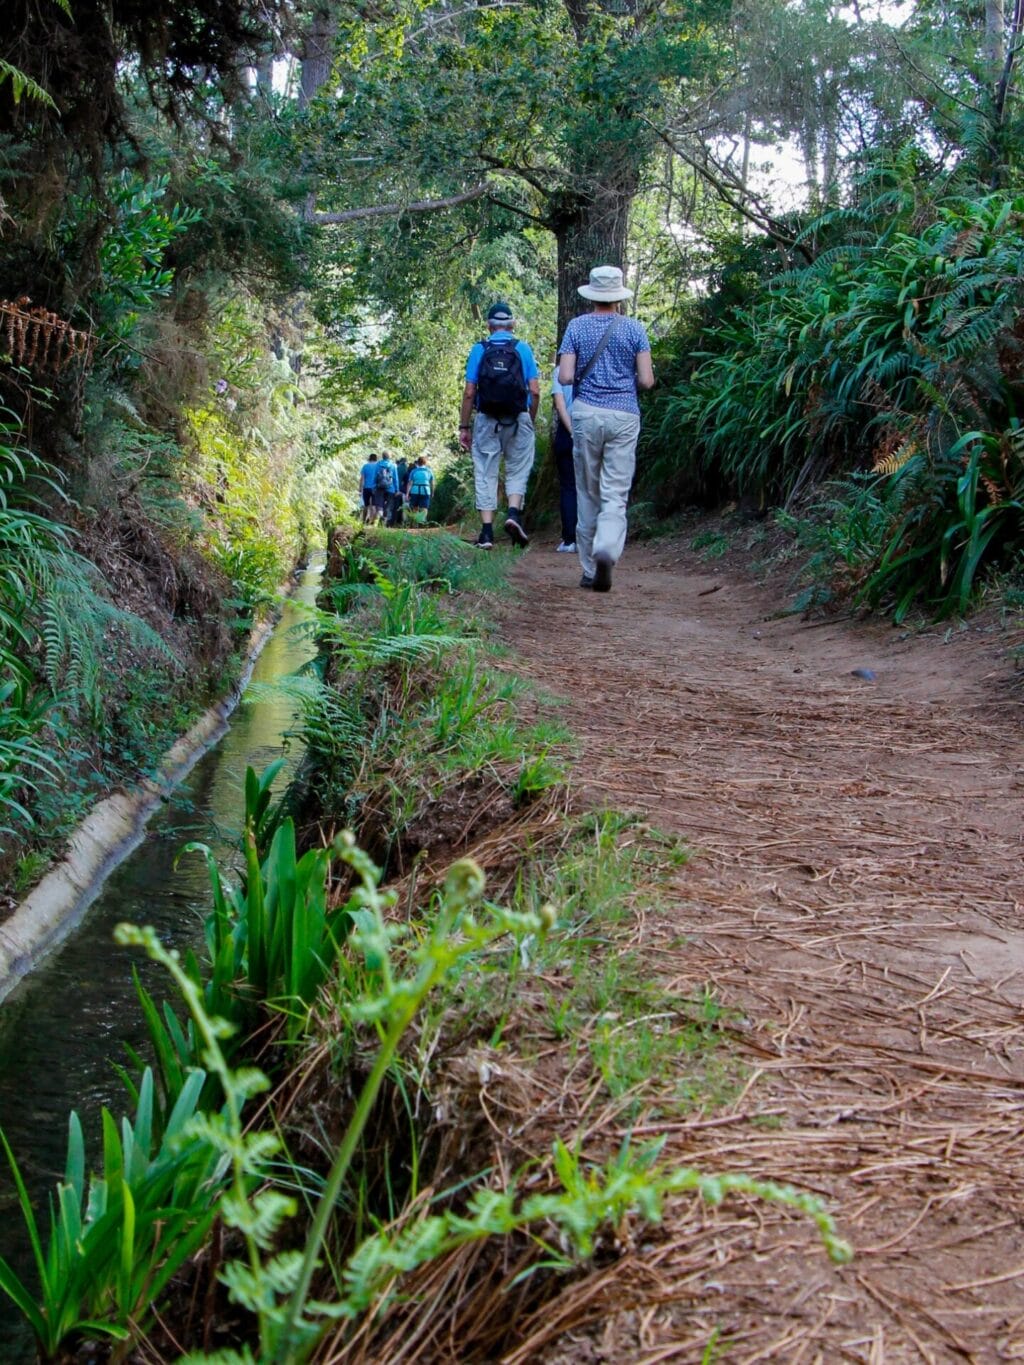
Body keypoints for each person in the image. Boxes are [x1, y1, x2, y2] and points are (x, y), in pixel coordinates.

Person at [558, 265, 655, 593]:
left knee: (587, 491)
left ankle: (588, 569)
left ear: (592, 294)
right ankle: (607, 548)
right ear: (618, 297)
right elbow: (646, 380)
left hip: (586, 414)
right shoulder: (635, 329)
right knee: (615, 492)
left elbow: (566, 377)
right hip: (624, 415)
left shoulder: (576, 327)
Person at [458, 301, 540, 549]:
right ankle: (513, 514)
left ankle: (486, 534)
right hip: (518, 417)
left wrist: (464, 426)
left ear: (489, 325)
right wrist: (529, 420)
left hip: (486, 418)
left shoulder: (479, 350)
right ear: (512, 324)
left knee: (485, 471)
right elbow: (535, 391)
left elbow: (470, 392)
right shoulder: (522, 349)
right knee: (517, 468)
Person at [551, 354, 577, 553]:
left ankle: (569, 540)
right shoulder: (593, 365)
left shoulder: (559, 371)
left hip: (567, 434)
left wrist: (571, 432)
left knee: (569, 487)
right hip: (592, 430)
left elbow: (560, 406)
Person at [407, 456, 434, 524]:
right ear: (425, 463)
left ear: (418, 463)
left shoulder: (414, 471)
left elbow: (410, 483)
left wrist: (407, 493)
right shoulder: (429, 471)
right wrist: (432, 492)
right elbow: (432, 483)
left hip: (415, 491)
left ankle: (415, 522)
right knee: (424, 507)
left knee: (414, 507)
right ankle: (422, 521)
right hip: (425, 491)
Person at [374, 452, 398, 525]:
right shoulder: (393, 465)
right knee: (388, 506)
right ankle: (384, 523)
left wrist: (374, 486)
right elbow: (395, 478)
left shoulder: (378, 464)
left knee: (380, 506)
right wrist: (397, 489)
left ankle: (378, 522)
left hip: (379, 488)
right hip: (391, 489)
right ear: (389, 457)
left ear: (382, 456)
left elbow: (375, 476)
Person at [358, 454, 379, 524]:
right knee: (373, 505)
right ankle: (372, 521)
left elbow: (362, 479)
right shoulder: (378, 466)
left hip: (366, 488)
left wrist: (360, 489)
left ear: (369, 458)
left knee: (366, 505)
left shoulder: (365, 466)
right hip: (375, 488)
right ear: (376, 459)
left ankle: (363, 521)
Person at [390, 455, 410, 527]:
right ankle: (400, 522)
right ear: (405, 462)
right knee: (402, 506)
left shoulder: (397, 468)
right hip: (402, 491)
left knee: (395, 506)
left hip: (394, 490)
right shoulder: (405, 469)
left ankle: (392, 522)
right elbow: (407, 481)